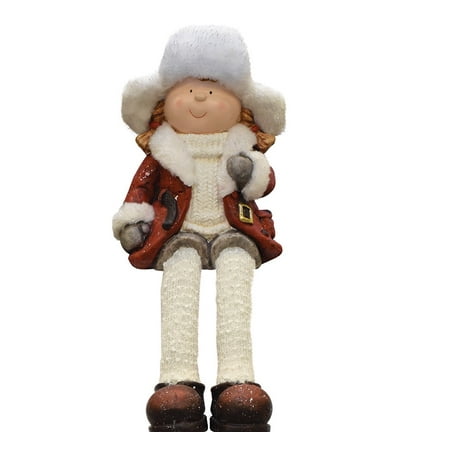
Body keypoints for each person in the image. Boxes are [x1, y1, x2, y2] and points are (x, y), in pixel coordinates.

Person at [113, 25, 285, 432]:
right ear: (163, 104)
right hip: (179, 233)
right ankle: (177, 381)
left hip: (234, 230)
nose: (200, 97)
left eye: (212, 88)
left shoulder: (242, 148)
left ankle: (237, 380)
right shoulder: (163, 151)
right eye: (188, 88)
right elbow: (141, 189)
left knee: (236, 286)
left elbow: (265, 182)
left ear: (241, 106)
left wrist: (249, 172)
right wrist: (133, 221)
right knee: (180, 282)